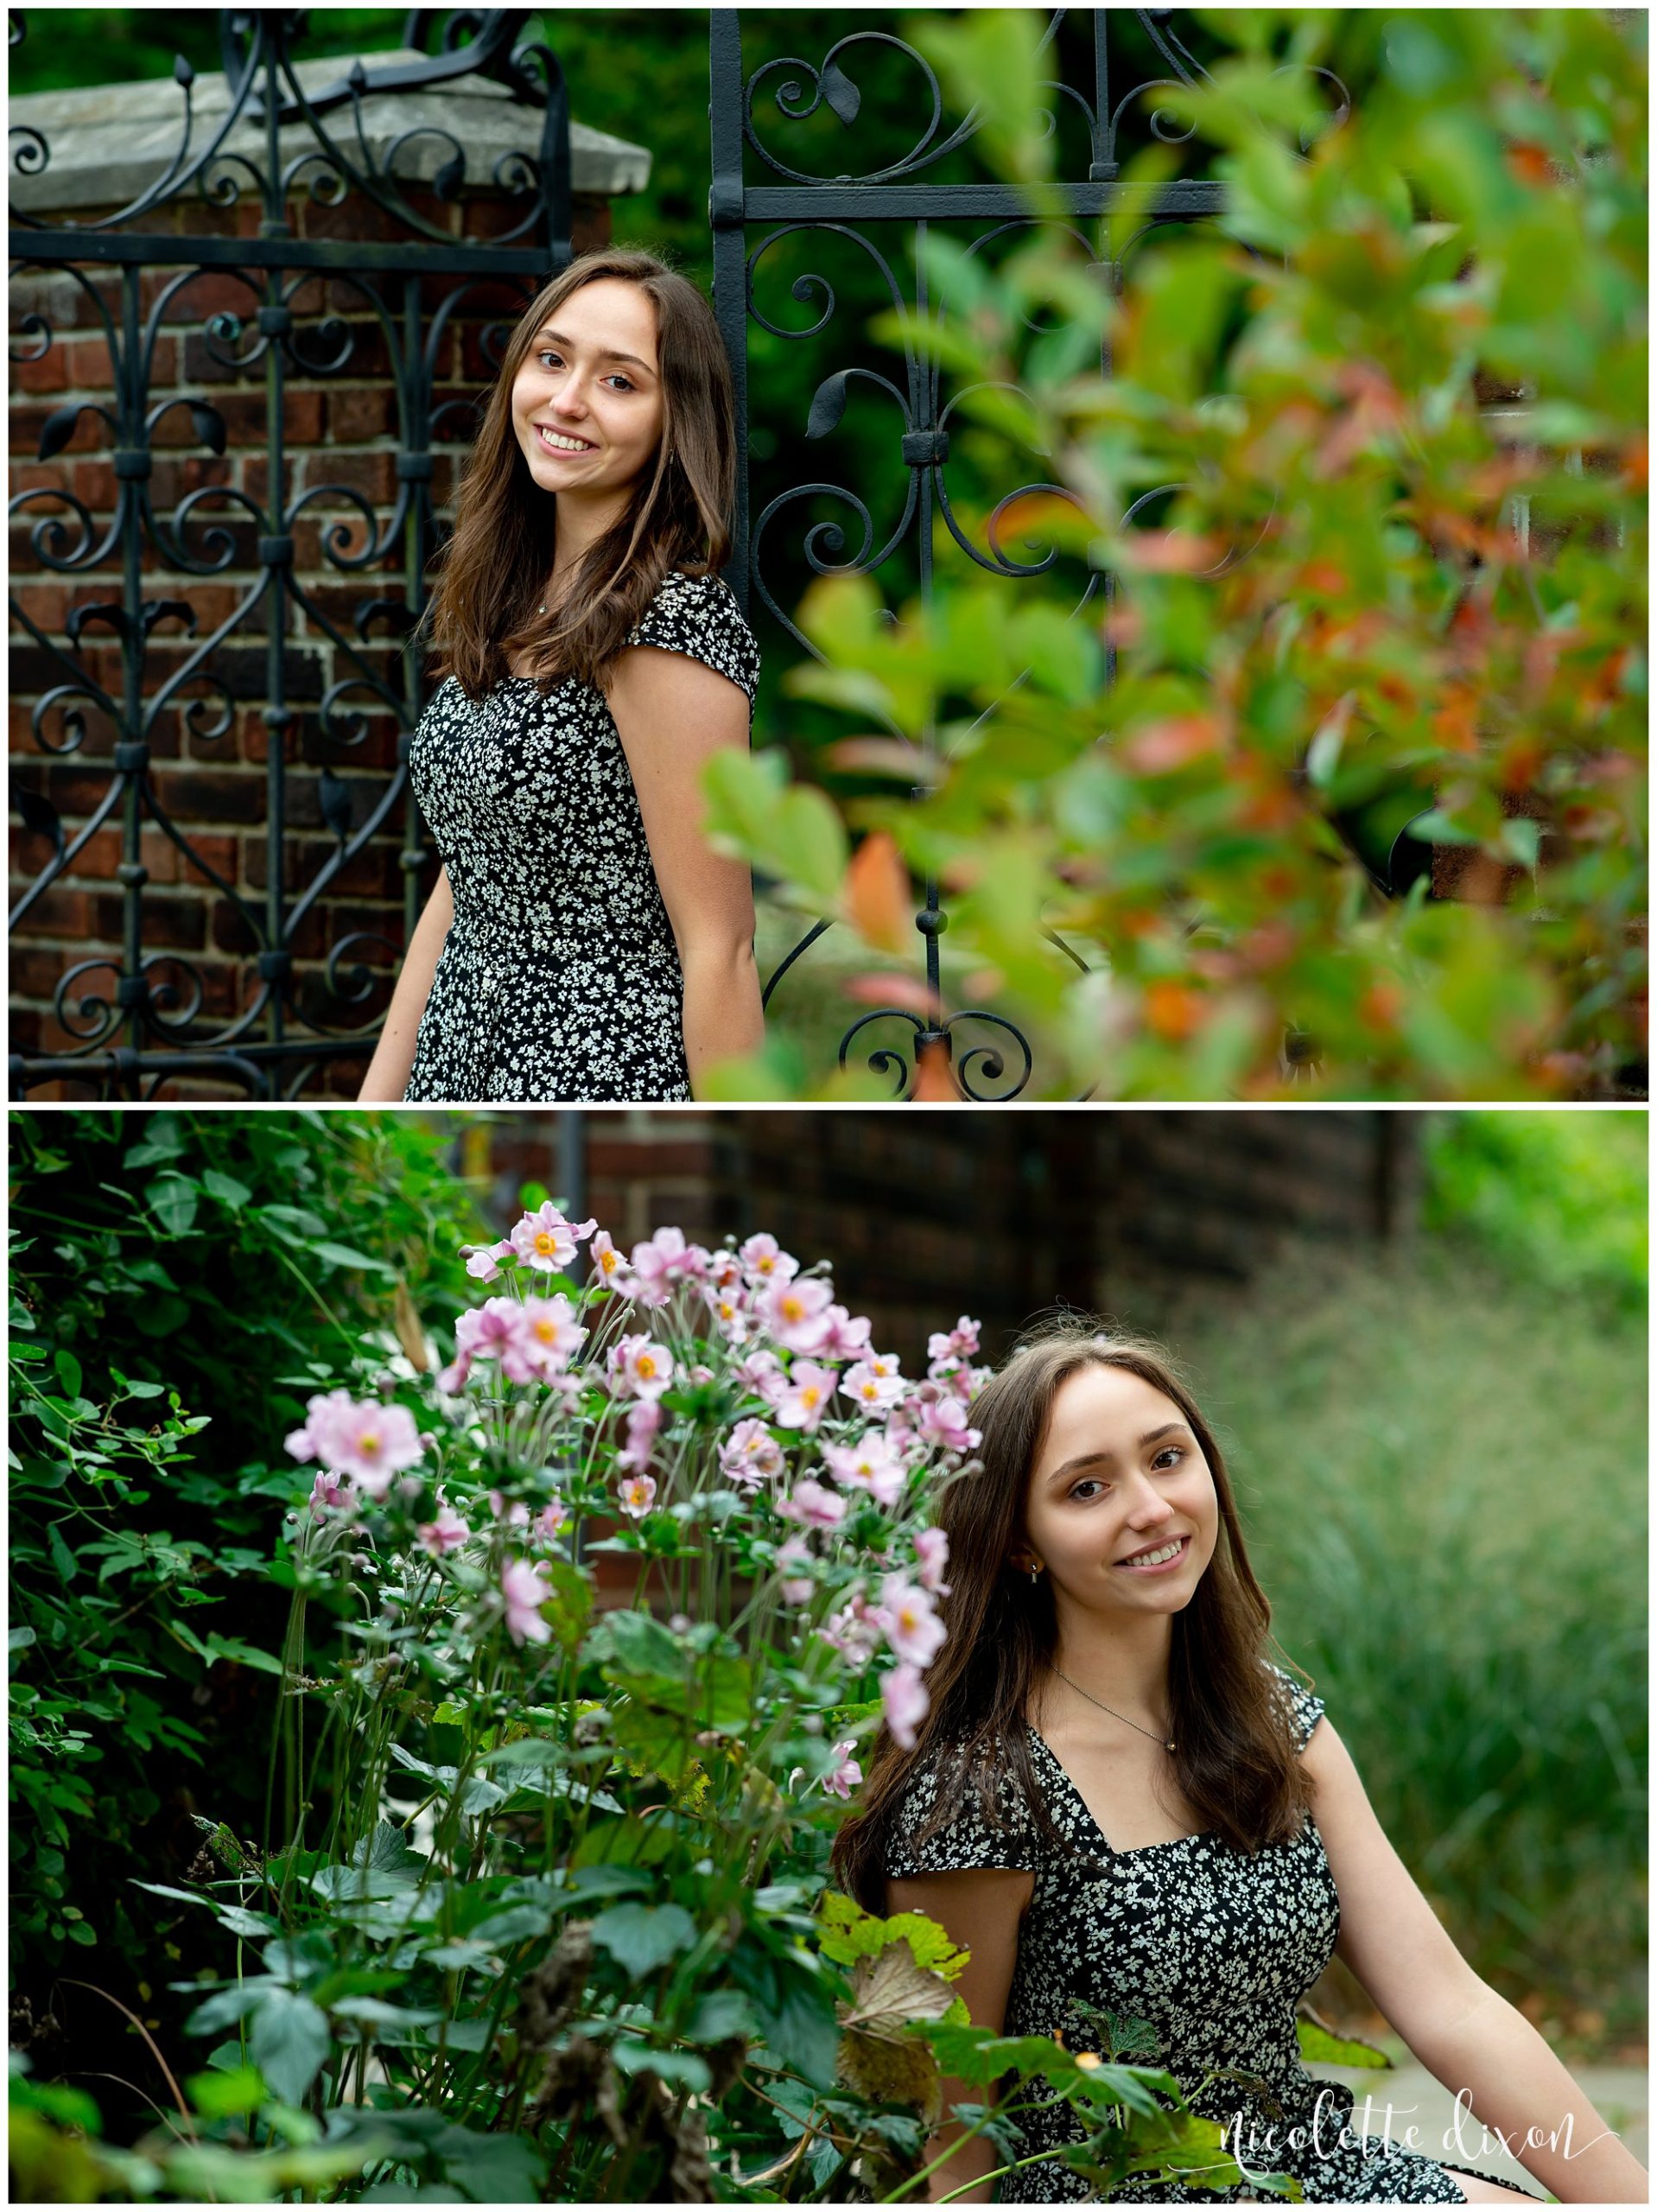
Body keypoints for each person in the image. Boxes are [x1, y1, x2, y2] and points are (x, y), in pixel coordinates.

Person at [830, 1322, 1647, 2206]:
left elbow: (1450, 2005)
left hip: (1302, 2169)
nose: (1149, 1506)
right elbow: (951, 2129)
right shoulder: (978, 1791)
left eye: (1167, 1458)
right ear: (1020, 1542)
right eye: (1087, 1487)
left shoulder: (1270, 1722)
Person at [357, 248, 765, 1103]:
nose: (568, 400)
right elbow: (464, 881)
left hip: (601, 1069)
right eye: (552, 359)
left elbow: (719, 947)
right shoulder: (510, 598)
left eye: (620, 382)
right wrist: (375, 1109)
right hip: (458, 1057)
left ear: (671, 418)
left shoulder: (670, 619)